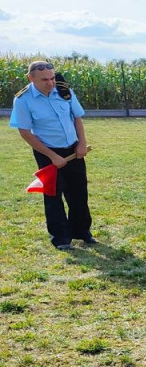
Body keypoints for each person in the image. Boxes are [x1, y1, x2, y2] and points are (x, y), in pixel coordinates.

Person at [9, 60, 95, 251]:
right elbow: (25, 132)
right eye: (44, 80)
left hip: (73, 148)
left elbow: (77, 118)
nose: (50, 83)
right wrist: (52, 156)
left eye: (52, 78)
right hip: (46, 151)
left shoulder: (64, 91)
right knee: (53, 196)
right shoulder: (23, 100)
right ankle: (61, 238)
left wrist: (81, 143)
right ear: (31, 78)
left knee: (79, 192)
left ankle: (82, 232)